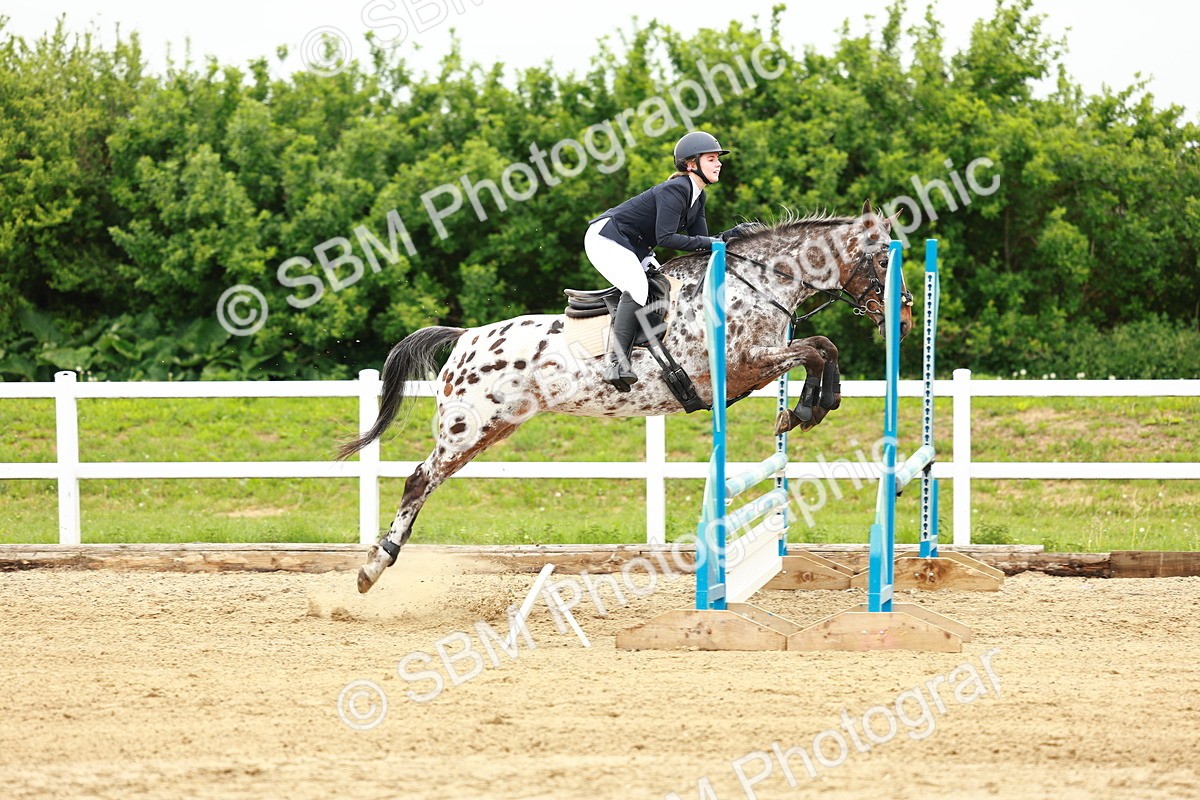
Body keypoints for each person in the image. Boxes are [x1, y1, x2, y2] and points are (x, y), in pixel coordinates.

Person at [585, 130, 752, 390]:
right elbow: (666, 238)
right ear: (691, 164)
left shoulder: (698, 197)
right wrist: (716, 241)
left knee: (663, 284)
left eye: (717, 158)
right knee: (638, 287)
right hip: (607, 237)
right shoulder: (676, 189)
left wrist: (733, 237)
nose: (719, 163)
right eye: (711, 158)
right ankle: (616, 362)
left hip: (634, 246)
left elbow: (701, 243)